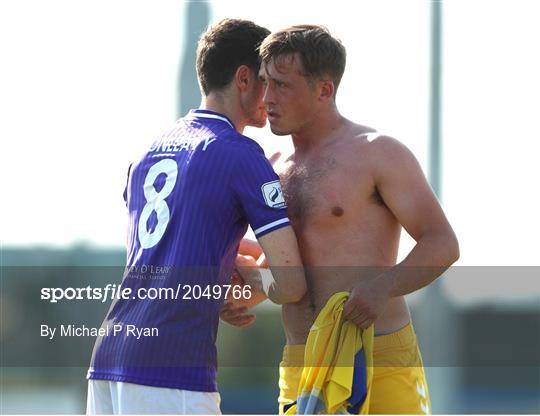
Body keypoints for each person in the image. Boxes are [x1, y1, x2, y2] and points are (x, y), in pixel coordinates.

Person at [221, 25, 459, 414]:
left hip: (377, 353)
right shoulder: (270, 168)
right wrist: (248, 291)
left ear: (324, 90)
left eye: (281, 85)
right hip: (301, 362)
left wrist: (384, 286)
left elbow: (443, 243)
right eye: (264, 83)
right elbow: (288, 274)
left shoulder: (379, 153)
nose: (267, 98)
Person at [86, 19, 307, 415]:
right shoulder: (239, 154)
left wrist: (220, 276)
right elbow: (291, 284)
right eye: (265, 80)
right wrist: (249, 279)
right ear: (243, 79)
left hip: (109, 360)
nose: (272, 94)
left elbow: (166, 255)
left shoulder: (147, 154)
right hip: (169, 370)